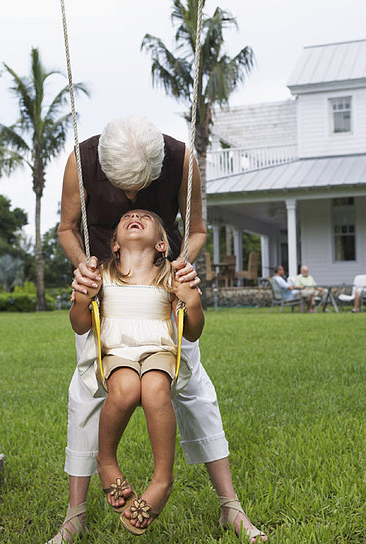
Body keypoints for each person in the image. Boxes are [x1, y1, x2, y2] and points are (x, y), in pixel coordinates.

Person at [49, 116, 267, 543]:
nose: (132, 198)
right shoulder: (82, 161)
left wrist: (181, 269)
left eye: (141, 189)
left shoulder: (182, 160)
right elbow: (67, 228)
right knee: (86, 392)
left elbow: (198, 230)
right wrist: (85, 271)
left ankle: (230, 505)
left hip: (165, 304)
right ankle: (75, 512)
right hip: (102, 296)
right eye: (122, 191)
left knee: (195, 390)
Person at [70, 210, 204, 535]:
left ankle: (163, 479)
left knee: (156, 390)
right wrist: (82, 300)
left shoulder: (172, 277)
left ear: (161, 244)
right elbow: (79, 324)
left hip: (159, 350)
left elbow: (192, 332)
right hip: (115, 354)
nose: (135, 216)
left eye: (144, 217)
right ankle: (106, 460)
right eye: (129, 216)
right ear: (114, 244)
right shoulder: (99, 274)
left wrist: (193, 304)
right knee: (126, 389)